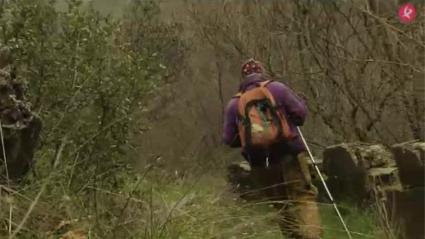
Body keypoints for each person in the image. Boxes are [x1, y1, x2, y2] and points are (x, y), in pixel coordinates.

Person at [222, 59, 322, 239]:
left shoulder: (234, 104)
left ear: (243, 78)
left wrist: (250, 138)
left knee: (279, 204)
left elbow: (229, 139)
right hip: (288, 153)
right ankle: (313, 236)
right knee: (303, 197)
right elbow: (301, 113)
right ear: (262, 73)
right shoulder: (277, 89)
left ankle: (293, 237)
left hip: (260, 162)